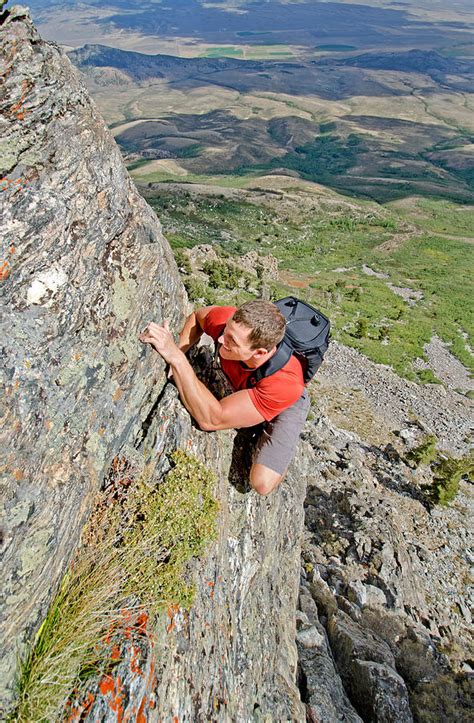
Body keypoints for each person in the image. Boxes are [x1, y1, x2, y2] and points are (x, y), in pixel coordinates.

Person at [139, 300, 310, 495]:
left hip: (283, 400)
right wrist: (180, 349)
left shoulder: (284, 384)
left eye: (232, 341)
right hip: (250, 384)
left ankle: (276, 440)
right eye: (226, 332)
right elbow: (198, 317)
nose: (221, 340)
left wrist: (175, 358)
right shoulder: (228, 325)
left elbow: (211, 419)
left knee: (261, 483)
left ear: (260, 352)